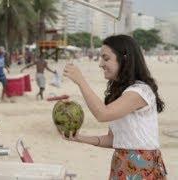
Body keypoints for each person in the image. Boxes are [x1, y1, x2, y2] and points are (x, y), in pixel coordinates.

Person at [63, 35, 167, 179]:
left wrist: (81, 81)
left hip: (141, 168)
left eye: (106, 58)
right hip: (122, 164)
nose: (100, 64)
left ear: (125, 59)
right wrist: (80, 138)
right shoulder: (122, 94)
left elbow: (102, 114)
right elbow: (113, 140)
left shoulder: (140, 91)